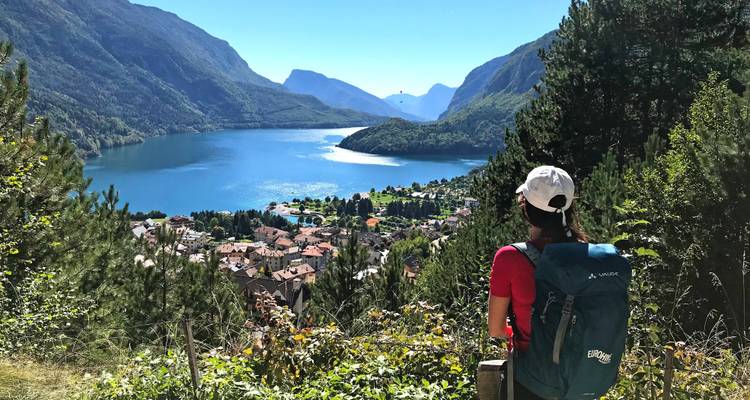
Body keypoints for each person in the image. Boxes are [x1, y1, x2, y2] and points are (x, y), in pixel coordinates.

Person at [487, 165, 587, 399]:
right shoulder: (588, 255)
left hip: (531, 378)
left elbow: (496, 329)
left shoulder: (510, 258)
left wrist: (522, 332)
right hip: (577, 377)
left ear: (526, 209)